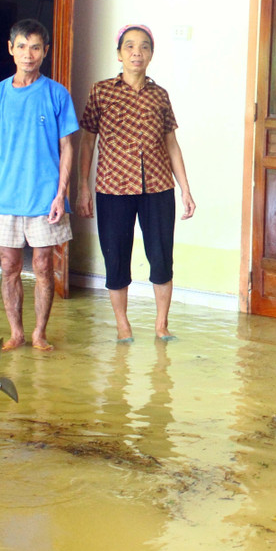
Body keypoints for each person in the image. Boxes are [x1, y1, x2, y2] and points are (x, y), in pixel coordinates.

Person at [0, 18, 80, 352]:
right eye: (21, 46)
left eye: (35, 47)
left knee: (44, 266)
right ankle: (16, 333)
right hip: (4, 196)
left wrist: (61, 194)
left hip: (45, 197)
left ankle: (39, 333)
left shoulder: (57, 94)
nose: (28, 54)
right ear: (11, 49)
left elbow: (67, 147)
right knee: (9, 267)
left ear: (45, 51)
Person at [76, 24, 195, 342]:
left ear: (151, 54)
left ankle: (161, 324)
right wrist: (83, 186)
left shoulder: (160, 95)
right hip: (113, 188)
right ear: (119, 54)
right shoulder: (101, 91)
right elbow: (87, 141)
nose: (136, 52)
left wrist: (185, 189)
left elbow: (171, 144)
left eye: (144, 47)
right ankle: (123, 325)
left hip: (157, 187)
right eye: (129, 46)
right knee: (115, 257)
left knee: (162, 257)